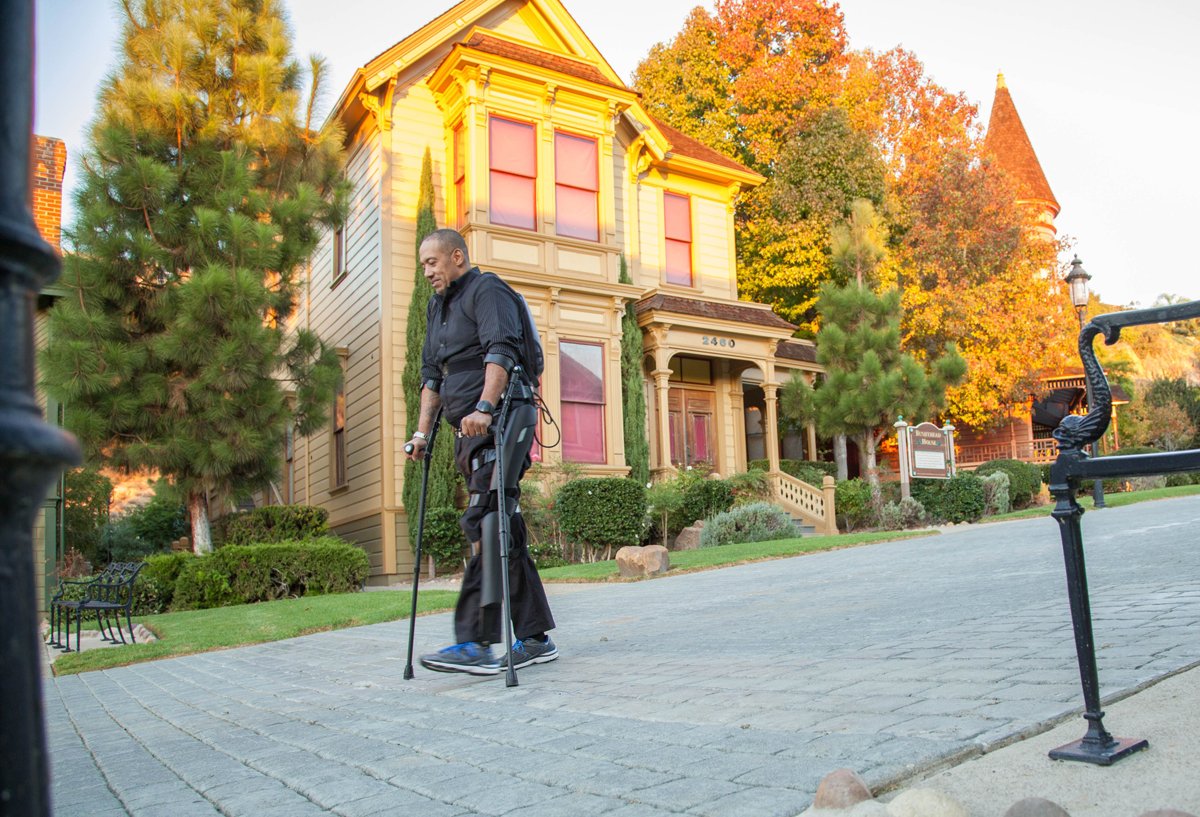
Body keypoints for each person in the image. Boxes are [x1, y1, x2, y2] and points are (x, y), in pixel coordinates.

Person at [406, 228, 557, 676]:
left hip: (506, 418)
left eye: (432, 262)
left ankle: (474, 643)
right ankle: (534, 638)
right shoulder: (437, 309)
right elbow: (434, 376)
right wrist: (420, 434)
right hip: (470, 431)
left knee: (486, 518)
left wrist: (485, 408)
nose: (427, 272)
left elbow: (502, 351)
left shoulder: (487, 290)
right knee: (501, 523)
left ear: (457, 256)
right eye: (422, 266)